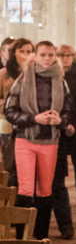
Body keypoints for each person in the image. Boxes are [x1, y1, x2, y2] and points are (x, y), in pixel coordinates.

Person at [5, 40, 74, 238]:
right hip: (25, 139)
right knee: (26, 188)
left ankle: (41, 237)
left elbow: (69, 110)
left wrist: (59, 119)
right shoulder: (23, 77)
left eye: (51, 55)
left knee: (45, 190)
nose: (47, 59)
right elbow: (9, 110)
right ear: (35, 55)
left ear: (55, 56)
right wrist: (35, 118)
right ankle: (21, 238)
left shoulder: (60, 79)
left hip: (50, 141)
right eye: (43, 54)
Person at [49, 45, 76, 239]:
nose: (65, 58)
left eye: (68, 55)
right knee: (59, 172)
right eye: (62, 55)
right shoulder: (53, 73)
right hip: (59, 129)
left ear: (73, 57)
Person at [0, 38, 34, 181]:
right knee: (9, 161)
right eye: (21, 51)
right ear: (14, 53)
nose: (25, 55)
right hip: (7, 121)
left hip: (29, 122)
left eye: (29, 51)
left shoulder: (35, 73)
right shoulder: (4, 73)